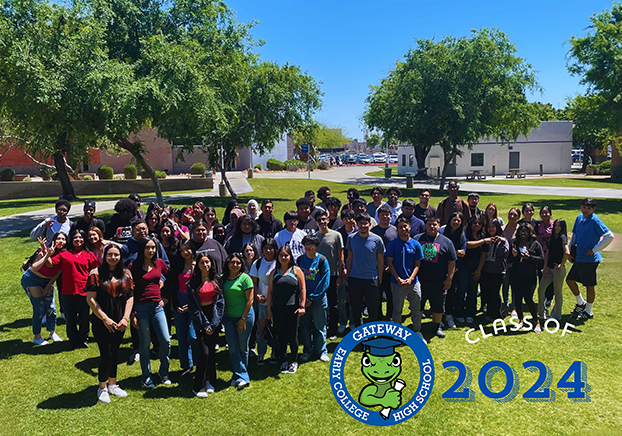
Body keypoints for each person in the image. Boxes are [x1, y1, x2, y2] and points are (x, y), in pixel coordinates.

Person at [86, 245, 134, 403]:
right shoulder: (95, 274)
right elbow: (90, 299)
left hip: (120, 321)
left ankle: (112, 383)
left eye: (116, 255)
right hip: (102, 322)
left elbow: (129, 297)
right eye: (110, 255)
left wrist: (125, 318)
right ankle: (102, 387)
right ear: (105, 255)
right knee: (106, 354)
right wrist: (104, 318)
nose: (113, 258)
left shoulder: (126, 274)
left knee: (115, 352)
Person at [46, 229, 99, 349]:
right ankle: (72, 339)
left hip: (84, 291)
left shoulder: (88, 254)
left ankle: (83, 339)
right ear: (71, 239)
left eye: (80, 237)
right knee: (70, 318)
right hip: (67, 291)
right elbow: (50, 264)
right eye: (75, 237)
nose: (78, 240)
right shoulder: (64, 254)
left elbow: (95, 270)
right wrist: (47, 252)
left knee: (84, 317)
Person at [130, 237, 171, 388]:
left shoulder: (159, 263)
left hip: (157, 307)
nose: (151, 250)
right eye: (148, 247)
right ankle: (146, 376)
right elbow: (128, 291)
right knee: (145, 343)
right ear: (142, 249)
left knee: (165, 340)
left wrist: (165, 296)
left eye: (153, 247)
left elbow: (170, 277)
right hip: (140, 308)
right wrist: (132, 314)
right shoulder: (133, 266)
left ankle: (163, 372)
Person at [567, 198, 614, 321]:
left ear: (593, 209)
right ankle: (581, 303)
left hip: (590, 259)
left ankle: (588, 311)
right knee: (570, 280)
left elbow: (609, 236)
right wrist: (570, 251)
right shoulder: (579, 218)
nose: (585, 210)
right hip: (579, 257)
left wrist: (594, 250)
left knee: (589, 285)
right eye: (584, 207)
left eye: (588, 208)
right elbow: (575, 235)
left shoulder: (595, 220)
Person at [187, 252, 224, 397]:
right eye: (202, 262)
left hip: (213, 318)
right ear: (198, 265)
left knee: (212, 353)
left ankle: (211, 381)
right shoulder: (192, 283)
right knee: (204, 352)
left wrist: (213, 324)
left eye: (207, 262)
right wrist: (205, 324)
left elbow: (220, 303)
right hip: (200, 320)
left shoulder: (217, 281)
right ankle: (198, 386)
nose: (205, 265)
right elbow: (193, 307)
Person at [414, 217, 457, 339]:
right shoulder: (417, 239)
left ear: (439, 225)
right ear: (425, 225)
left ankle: (437, 326)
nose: (432, 227)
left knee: (438, 305)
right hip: (420, 280)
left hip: (439, 280)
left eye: (434, 224)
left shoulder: (446, 242)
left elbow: (452, 261)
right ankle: (417, 327)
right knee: (419, 304)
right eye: (429, 224)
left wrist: (449, 278)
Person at [21, 234, 65, 345]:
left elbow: (56, 275)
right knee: (39, 308)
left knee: (51, 309)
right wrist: (46, 254)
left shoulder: (65, 255)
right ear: (54, 240)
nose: (61, 241)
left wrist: (47, 287)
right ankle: (37, 337)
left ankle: (52, 333)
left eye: (63, 239)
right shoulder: (42, 251)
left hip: (47, 281)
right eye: (58, 238)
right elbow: (34, 267)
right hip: (32, 279)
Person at [268, 246, 306, 375]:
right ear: (278, 257)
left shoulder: (296, 270)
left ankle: (294, 361)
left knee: (292, 335)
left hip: (293, 309)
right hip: (278, 308)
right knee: (281, 335)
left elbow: (302, 289)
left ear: (290, 257)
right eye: (281, 255)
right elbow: (270, 292)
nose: (284, 258)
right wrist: (269, 309)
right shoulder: (274, 272)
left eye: (286, 255)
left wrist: (302, 305)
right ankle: (283, 359)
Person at [386, 216, 425, 343]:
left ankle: (417, 331)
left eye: (405, 226)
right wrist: (398, 279)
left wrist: (410, 278)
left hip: (413, 283)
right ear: (397, 229)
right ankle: (396, 333)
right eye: (400, 227)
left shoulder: (416, 244)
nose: (404, 229)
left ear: (409, 227)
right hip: (397, 283)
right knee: (397, 309)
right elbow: (390, 264)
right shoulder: (392, 244)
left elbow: (418, 264)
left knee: (416, 308)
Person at [345, 213, 385, 327]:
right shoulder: (351, 238)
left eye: (365, 223)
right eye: (360, 224)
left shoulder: (377, 240)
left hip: (371, 279)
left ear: (369, 224)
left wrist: (380, 279)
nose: (362, 226)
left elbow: (381, 261)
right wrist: (347, 275)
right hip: (355, 278)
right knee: (356, 308)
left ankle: (372, 333)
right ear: (356, 225)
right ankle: (359, 332)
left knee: (373, 309)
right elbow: (350, 258)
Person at [165, 240, 198, 377]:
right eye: (182, 250)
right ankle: (186, 365)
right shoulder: (177, 265)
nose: (185, 253)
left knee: (193, 336)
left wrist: (191, 305)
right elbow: (172, 286)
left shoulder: (198, 265)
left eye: (187, 249)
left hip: (194, 303)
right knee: (182, 336)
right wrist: (176, 305)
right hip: (179, 301)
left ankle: (198, 362)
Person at [222, 253, 255, 389]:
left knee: (242, 347)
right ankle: (240, 375)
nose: (235, 265)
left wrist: (242, 319)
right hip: (228, 318)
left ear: (241, 265)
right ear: (228, 263)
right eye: (232, 262)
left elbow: (250, 300)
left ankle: (239, 375)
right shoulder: (223, 279)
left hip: (244, 317)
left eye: (238, 263)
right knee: (233, 348)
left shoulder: (245, 278)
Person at [298, 235, 330, 362]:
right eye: (306, 247)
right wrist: (304, 298)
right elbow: (298, 280)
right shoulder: (300, 260)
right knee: (305, 326)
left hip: (318, 299)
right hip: (304, 300)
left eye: (311, 247)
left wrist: (312, 297)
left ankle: (322, 351)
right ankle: (307, 350)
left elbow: (325, 281)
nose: (309, 249)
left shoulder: (322, 260)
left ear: (316, 246)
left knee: (320, 326)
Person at [315, 210, 344, 339]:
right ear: (316, 222)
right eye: (319, 220)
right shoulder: (314, 237)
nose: (322, 222)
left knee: (333, 303)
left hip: (332, 274)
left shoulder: (336, 235)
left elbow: (340, 257)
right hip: (318, 276)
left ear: (328, 220)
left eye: (324, 219)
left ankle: (333, 330)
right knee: (320, 304)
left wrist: (339, 275)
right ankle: (321, 328)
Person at [508, 223, 544, 331]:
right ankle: (521, 320)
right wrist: (513, 256)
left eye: (526, 231)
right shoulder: (515, 243)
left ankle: (536, 321)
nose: (523, 233)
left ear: (530, 232)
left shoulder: (535, 244)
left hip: (530, 275)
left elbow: (541, 259)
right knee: (517, 298)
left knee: (528, 298)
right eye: (521, 231)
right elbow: (509, 260)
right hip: (516, 274)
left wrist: (530, 257)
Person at [249, 239, 278, 365]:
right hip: (262, 301)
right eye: (266, 247)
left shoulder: (279, 262)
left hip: (277, 302)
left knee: (276, 328)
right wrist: (257, 295)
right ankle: (261, 353)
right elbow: (254, 282)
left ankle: (275, 352)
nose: (268, 250)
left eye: (271, 248)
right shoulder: (258, 263)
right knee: (262, 327)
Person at [456, 215, 489, 324]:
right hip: (463, 265)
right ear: (470, 223)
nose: (477, 225)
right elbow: (467, 245)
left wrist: (479, 269)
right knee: (461, 289)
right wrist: (483, 241)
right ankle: (459, 313)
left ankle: (470, 313)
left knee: (473, 290)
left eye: (479, 223)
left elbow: (484, 254)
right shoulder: (464, 233)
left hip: (476, 265)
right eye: (475, 223)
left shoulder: (482, 234)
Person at [474, 219, 508, 322]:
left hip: (497, 271)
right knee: (486, 293)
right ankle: (489, 313)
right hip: (485, 270)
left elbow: (503, 253)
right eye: (489, 227)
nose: (491, 229)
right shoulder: (485, 239)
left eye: (493, 227)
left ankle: (496, 314)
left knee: (494, 293)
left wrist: (500, 242)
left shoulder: (503, 240)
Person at [538, 219, 569, 322]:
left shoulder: (562, 238)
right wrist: (545, 267)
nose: (556, 228)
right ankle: (542, 313)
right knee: (541, 289)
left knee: (557, 292)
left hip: (558, 270)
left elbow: (567, 252)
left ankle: (556, 315)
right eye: (555, 225)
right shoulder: (552, 237)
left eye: (559, 226)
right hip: (549, 268)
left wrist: (561, 264)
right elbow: (547, 253)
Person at [439, 212, 466, 328]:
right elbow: (439, 251)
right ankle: (438, 317)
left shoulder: (461, 235)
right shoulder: (442, 232)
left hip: (454, 268)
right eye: (454, 220)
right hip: (439, 267)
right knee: (439, 294)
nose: (456, 222)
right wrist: (454, 253)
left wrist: (450, 254)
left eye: (458, 221)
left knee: (451, 292)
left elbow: (463, 252)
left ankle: (449, 315)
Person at [372, 205, 398, 321]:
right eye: (382, 215)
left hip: (392, 268)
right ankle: (378, 315)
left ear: (391, 216)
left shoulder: (395, 231)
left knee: (391, 294)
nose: (385, 217)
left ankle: (390, 316)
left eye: (387, 215)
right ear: (378, 216)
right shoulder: (373, 231)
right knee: (377, 293)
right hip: (377, 268)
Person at [336, 208, 357, 333]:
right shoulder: (339, 234)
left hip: (356, 271)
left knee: (355, 298)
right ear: (342, 220)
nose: (349, 221)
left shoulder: (359, 233)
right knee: (342, 298)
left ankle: (353, 322)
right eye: (346, 219)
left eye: (351, 218)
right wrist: (342, 269)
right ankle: (343, 322)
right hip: (342, 271)